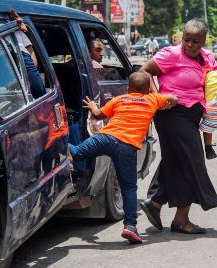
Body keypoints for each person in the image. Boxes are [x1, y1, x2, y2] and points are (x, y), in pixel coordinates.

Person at [139, 19, 217, 234]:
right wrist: (157, 97)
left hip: (193, 115)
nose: (189, 45)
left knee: (177, 161)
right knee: (193, 161)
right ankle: (180, 219)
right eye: (186, 40)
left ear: (204, 41)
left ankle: (156, 203)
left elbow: (215, 81)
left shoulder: (207, 57)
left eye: (195, 41)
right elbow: (144, 72)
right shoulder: (170, 54)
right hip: (171, 113)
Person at [69, 72, 178, 244]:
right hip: (126, 147)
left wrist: (91, 105)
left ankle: (54, 139)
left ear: (128, 88)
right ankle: (130, 226)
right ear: (148, 89)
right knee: (128, 187)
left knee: (76, 153)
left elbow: (98, 115)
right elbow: (173, 98)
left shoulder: (119, 99)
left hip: (105, 138)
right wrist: (166, 104)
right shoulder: (153, 99)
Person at [9, 10, 45, 99]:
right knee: (40, 95)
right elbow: (32, 56)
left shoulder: (19, 32)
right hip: (22, 58)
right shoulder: (19, 33)